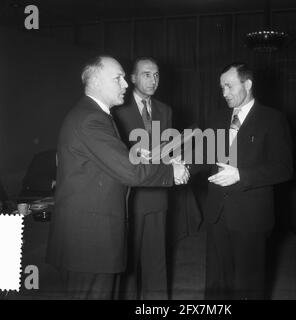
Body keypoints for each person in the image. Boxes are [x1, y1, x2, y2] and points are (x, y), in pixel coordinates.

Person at [46, 56, 189, 300]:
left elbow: (109, 162)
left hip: (90, 239)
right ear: (96, 81)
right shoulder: (91, 119)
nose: (125, 84)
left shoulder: (92, 114)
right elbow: (128, 171)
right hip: (89, 244)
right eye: (118, 78)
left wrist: (140, 156)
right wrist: (171, 172)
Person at [204, 62, 293, 299]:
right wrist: (180, 164)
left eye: (229, 86)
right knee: (216, 281)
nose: (224, 93)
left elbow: (284, 168)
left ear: (248, 84)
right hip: (217, 213)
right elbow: (206, 154)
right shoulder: (217, 117)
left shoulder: (272, 119)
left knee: (248, 283)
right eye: (221, 87)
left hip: (250, 217)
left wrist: (241, 175)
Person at [113, 57, 172, 299]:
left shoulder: (165, 110)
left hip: (158, 195)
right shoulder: (116, 109)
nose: (153, 80)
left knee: (157, 262)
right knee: (127, 266)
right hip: (130, 198)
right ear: (133, 78)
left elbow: (167, 151)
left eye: (156, 75)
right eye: (146, 74)